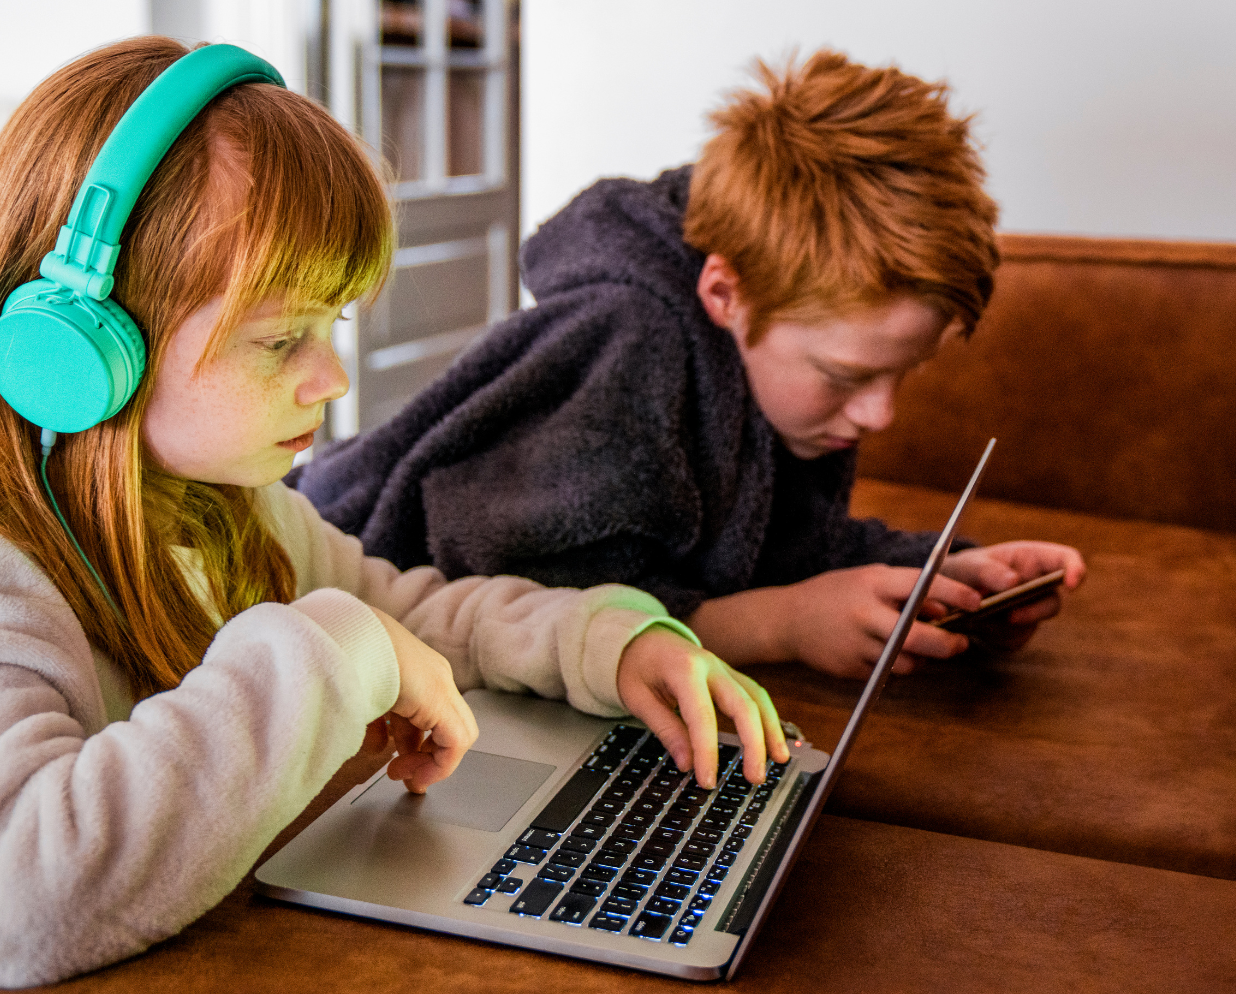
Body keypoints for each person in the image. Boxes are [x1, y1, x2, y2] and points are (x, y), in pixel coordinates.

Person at [0, 38, 788, 988]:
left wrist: (604, 643)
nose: (330, 378)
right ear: (75, 352)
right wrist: (330, 647)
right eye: (280, 338)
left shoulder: (224, 511)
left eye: (332, 325)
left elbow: (409, 612)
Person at [290, 50, 1087, 680]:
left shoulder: (776, 381)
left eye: (901, 376)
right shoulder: (630, 346)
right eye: (846, 377)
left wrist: (947, 572)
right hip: (333, 597)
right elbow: (532, 603)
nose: (881, 414)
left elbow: (778, 544)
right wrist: (785, 625)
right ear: (724, 293)